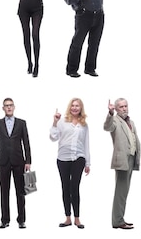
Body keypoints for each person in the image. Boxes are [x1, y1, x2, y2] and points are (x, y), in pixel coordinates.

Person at [64, 0, 122, 77]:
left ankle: (90, 69)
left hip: (99, 15)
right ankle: (72, 70)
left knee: (94, 43)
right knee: (77, 43)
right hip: (83, 16)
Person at [0, 98, 32, 229]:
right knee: (4, 191)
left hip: (19, 161)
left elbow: (26, 142)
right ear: (3, 108)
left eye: (11, 105)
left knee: (21, 191)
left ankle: (21, 220)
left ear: (14, 107)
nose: (9, 108)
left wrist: (28, 161)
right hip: (3, 161)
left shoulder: (21, 123)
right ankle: (5, 220)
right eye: (6, 106)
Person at [8, 0, 51, 77]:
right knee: (26, 35)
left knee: (35, 34)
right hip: (24, 7)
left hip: (37, 7)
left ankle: (37, 64)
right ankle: (29, 63)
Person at [50, 98, 90, 229]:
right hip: (63, 159)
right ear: (69, 107)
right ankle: (67, 218)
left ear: (81, 108)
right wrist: (55, 122)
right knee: (65, 187)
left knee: (75, 188)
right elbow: (53, 137)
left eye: (77, 106)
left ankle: (77, 218)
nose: (74, 108)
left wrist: (88, 163)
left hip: (78, 158)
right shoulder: (62, 121)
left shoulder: (84, 124)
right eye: (72, 105)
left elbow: (86, 144)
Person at [103, 98, 141, 230]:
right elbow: (107, 127)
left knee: (124, 191)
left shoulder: (131, 122)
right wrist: (110, 113)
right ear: (116, 109)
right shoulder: (114, 120)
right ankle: (118, 221)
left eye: (125, 106)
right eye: (121, 107)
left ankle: (120, 219)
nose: (124, 108)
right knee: (121, 191)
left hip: (131, 158)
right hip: (122, 160)